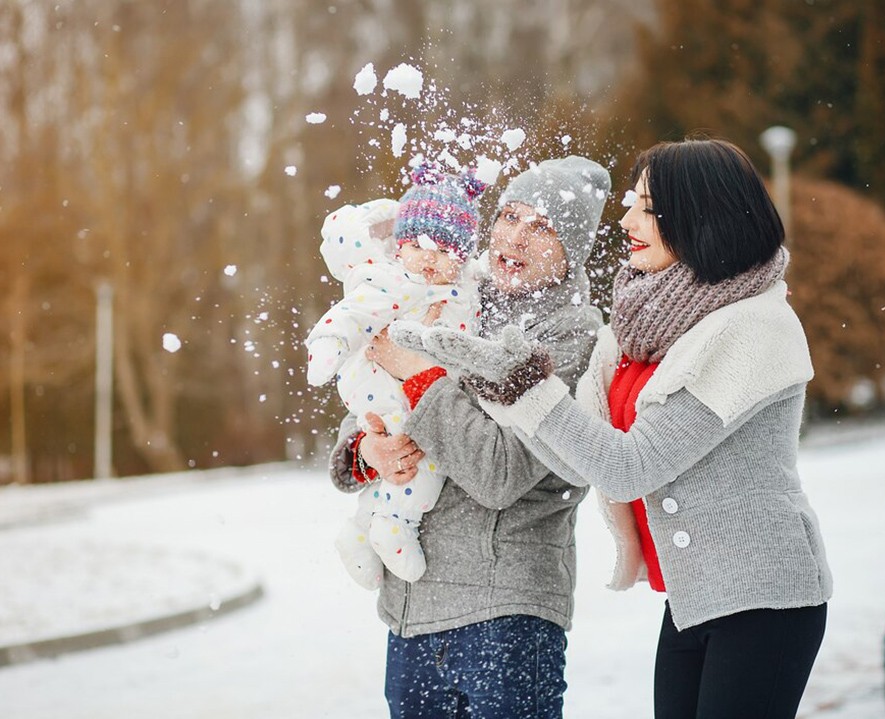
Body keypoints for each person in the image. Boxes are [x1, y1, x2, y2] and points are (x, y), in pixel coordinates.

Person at [400, 138, 833, 719]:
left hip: (764, 594)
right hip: (692, 597)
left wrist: (520, 383)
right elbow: (576, 460)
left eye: (649, 208)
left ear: (702, 215)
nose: (627, 220)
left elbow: (630, 466)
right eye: (632, 202)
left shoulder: (755, 329)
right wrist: (486, 379)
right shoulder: (640, 325)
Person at [327, 156, 611, 718]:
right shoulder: (452, 293)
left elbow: (500, 472)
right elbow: (370, 397)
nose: (517, 238)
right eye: (510, 217)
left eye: (543, 227)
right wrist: (369, 451)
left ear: (572, 249)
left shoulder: (574, 336)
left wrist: (420, 373)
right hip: (412, 610)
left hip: (507, 613)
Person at [306, 162, 486, 588]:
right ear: (400, 245)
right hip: (384, 389)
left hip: (414, 393)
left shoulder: (462, 290)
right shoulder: (391, 280)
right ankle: (394, 523)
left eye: (446, 252)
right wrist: (328, 345)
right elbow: (352, 313)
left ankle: (360, 529)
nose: (431, 259)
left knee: (405, 453)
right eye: (422, 245)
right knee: (423, 458)